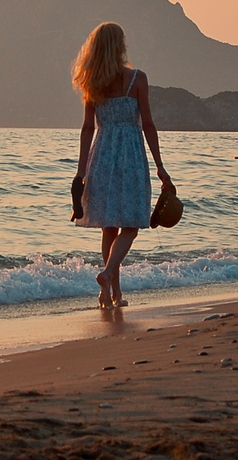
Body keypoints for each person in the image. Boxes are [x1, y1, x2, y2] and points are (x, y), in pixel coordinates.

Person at [72, 22, 172, 310]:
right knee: (131, 224)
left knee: (109, 227)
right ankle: (106, 277)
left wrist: (81, 172)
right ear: (120, 46)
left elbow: (87, 129)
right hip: (130, 155)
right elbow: (149, 125)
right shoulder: (137, 78)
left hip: (101, 155)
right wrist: (160, 166)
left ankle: (111, 295)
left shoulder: (92, 83)